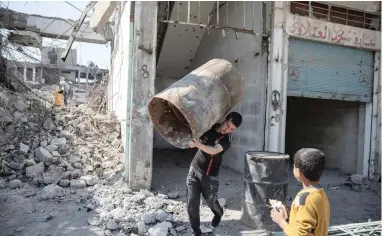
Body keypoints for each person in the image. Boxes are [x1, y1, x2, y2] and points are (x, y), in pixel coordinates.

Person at [187, 112, 242, 236]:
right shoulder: (209, 126)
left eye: (232, 129)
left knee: (211, 202)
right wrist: (192, 142)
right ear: (224, 119)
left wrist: (199, 145)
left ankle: (218, 213)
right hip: (194, 169)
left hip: (210, 175)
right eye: (227, 124)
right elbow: (195, 138)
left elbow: (214, 150)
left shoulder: (228, 139)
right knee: (192, 202)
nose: (227, 129)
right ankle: (196, 231)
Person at [271, 148, 330, 236]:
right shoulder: (320, 193)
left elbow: (301, 234)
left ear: (299, 172)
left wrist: (281, 221)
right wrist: (291, 214)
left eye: (294, 165)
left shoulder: (304, 199)